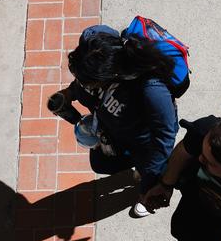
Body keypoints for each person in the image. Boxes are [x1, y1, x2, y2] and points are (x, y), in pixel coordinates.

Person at [47, 24, 182, 217]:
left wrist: (152, 178)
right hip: (112, 132)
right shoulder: (96, 49)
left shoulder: (151, 89)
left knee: (149, 172)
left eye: (88, 81)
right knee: (101, 164)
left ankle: (146, 193)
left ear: (111, 76)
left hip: (144, 145)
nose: (83, 84)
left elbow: (165, 136)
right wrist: (70, 93)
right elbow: (82, 85)